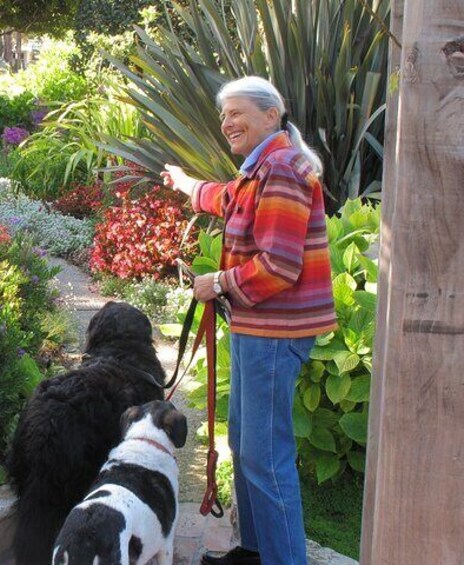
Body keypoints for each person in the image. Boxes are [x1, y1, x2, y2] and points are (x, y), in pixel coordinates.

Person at [162, 76, 337, 565]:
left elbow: (280, 266)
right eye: (223, 115)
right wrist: (186, 185)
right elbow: (228, 199)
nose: (226, 123)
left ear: (270, 114)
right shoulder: (262, 168)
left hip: (274, 335)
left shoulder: (280, 169)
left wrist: (216, 283)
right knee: (246, 444)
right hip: (258, 330)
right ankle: (254, 552)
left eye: (236, 112)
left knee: (266, 458)